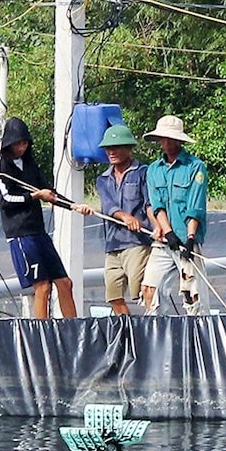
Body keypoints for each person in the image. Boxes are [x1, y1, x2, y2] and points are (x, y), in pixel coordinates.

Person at [0, 116, 74, 318]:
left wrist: (73, 206)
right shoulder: (1, 164)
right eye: (17, 144)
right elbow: (5, 200)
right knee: (42, 287)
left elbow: (48, 191)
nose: (21, 148)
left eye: (24, 143)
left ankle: (75, 328)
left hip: (38, 230)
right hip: (20, 233)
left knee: (64, 283)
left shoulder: (30, 163)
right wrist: (35, 196)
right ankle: (41, 333)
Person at [78, 122, 152, 315]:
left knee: (142, 292)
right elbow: (109, 206)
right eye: (108, 148)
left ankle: (151, 328)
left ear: (129, 148)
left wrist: (152, 228)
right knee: (113, 296)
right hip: (113, 244)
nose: (111, 151)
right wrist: (125, 217)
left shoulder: (143, 172)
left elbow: (149, 204)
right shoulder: (102, 179)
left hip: (138, 242)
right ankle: (127, 332)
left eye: (116, 147)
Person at [139, 113, 209, 316]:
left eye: (171, 138)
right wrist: (167, 232)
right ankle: (156, 333)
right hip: (163, 240)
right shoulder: (153, 170)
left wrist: (189, 238)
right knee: (150, 288)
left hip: (187, 238)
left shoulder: (195, 167)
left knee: (192, 294)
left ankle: (198, 334)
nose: (167, 142)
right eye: (164, 138)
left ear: (179, 140)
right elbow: (156, 204)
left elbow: (195, 206)